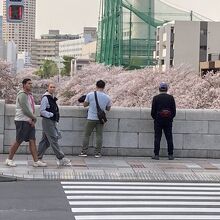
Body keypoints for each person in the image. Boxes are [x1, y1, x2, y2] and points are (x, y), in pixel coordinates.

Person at [5, 79, 47, 167]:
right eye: (29, 84)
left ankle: (36, 161)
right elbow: (25, 109)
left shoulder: (29, 95)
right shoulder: (22, 95)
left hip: (28, 121)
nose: (31, 85)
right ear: (24, 85)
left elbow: (31, 108)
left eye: (31, 83)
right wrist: (34, 118)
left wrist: (32, 119)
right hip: (21, 121)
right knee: (18, 140)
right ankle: (9, 159)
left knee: (32, 140)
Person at [37, 83, 71, 166]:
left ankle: (37, 157)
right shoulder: (46, 98)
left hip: (50, 121)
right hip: (48, 121)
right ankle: (61, 158)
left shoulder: (51, 97)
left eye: (54, 87)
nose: (52, 88)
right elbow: (42, 111)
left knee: (45, 141)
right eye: (50, 87)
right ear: (47, 88)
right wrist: (51, 115)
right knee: (53, 139)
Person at [79, 80, 111, 158]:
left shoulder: (90, 94)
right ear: (104, 87)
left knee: (87, 135)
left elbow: (85, 105)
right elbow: (108, 108)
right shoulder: (107, 97)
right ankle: (97, 153)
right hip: (100, 119)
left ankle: (84, 152)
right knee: (99, 136)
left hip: (91, 118)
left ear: (96, 86)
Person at [151, 82, 176, 160]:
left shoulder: (156, 98)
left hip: (158, 120)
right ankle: (170, 155)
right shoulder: (171, 98)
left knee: (157, 137)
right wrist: (170, 118)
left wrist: (156, 118)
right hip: (168, 121)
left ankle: (156, 155)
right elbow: (174, 111)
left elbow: (152, 112)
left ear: (159, 89)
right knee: (169, 137)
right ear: (166, 89)